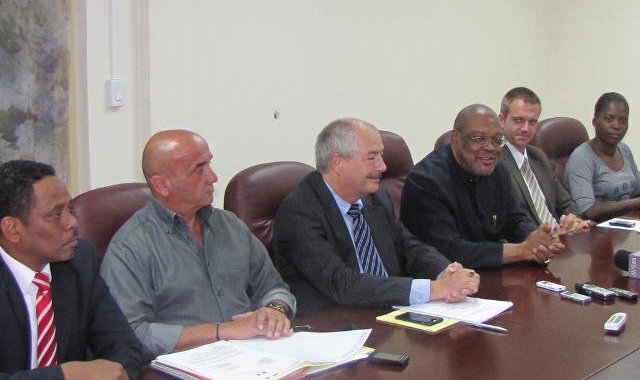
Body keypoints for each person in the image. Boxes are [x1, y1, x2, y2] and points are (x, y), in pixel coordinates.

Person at [100, 130, 296, 361]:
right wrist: (221, 331)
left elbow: (274, 287)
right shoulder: (130, 247)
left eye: (209, 164)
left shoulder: (230, 225)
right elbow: (131, 335)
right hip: (186, 364)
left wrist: (274, 310)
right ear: (162, 185)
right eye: (198, 169)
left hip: (252, 356)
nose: (213, 177)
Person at [273, 118, 480, 317]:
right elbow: (341, 283)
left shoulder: (376, 197)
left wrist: (447, 272)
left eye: (381, 156)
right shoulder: (298, 212)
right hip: (334, 322)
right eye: (371, 158)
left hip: (389, 311)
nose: (382, 167)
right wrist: (435, 289)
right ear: (337, 162)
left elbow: (409, 247)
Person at [0, 160, 143, 380]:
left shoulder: (80, 261)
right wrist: (63, 375)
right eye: (56, 214)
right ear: (12, 229)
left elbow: (124, 347)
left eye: (69, 209)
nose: (72, 222)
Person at [400, 104, 565, 269]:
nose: (491, 147)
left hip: (491, 272)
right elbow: (447, 250)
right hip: (443, 277)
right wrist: (521, 250)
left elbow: (514, 221)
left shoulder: (497, 170)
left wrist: (538, 238)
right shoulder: (426, 180)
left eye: (497, 140)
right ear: (456, 138)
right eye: (479, 139)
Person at [499, 87, 590, 233]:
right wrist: (550, 236)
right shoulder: (495, 162)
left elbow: (565, 202)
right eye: (518, 120)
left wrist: (572, 219)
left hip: (563, 237)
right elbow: (509, 225)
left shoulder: (538, 156)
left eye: (532, 122)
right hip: (532, 242)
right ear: (502, 120)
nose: (525, 128)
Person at [565, 92, 640, 221]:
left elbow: (637, 191)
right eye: (609, 119)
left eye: (623, 121)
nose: (616, 126)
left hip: (628, 224)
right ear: (595, 122)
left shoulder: (624, 149)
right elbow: (587, 211)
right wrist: (635, 203)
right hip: (597, 229)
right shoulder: (581, 157)